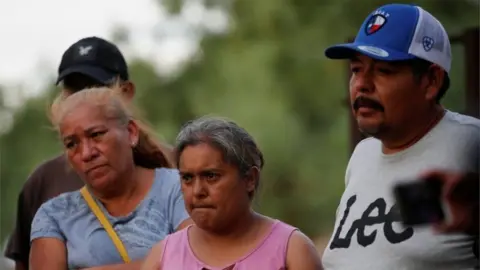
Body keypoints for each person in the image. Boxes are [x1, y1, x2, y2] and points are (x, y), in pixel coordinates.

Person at [321, 3, 479, 270]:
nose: (362, 84)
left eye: (384, 71)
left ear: (431, 82)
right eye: (356, 69)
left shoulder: (471, 143)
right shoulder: (363, 155)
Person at [4, 36, 138, 270]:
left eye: (95, 90)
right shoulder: (43, 181)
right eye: (73, 92)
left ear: (126, 93)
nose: (83, 101)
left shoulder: (176, 171)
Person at [29, 86, 191, 270]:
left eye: (96, 135)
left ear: (131, 133)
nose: (86, 153)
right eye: (72, 144)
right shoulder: (54, 216)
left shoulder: (181, 188)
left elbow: (196, 261)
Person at [141, 116, 323, 270]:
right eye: (187, 178)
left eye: (211, 176)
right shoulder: (162, 258)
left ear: (250, 179)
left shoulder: (292, 251)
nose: (197, 191)